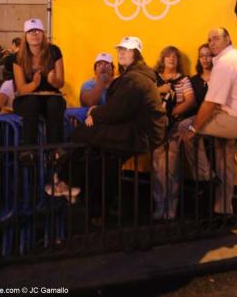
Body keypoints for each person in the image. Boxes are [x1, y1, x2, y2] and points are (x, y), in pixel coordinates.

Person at [53, 37, 167, 216]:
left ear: (136, 54)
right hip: (138, 131)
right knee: (101, 157)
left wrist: (94, 114)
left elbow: (118, 110)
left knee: (87, 134)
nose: (121, 52)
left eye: (127, 50)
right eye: (120, 49)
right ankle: (89, 201)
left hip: (140, 133)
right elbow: (117, 109)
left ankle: (65, 177)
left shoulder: (135, 79)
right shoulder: (134, 77)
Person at [192, 27, 237, 215]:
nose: (212, 42)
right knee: (225, 161)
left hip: (231, 121)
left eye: (215, 38)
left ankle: (206, 176)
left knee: (184, 128)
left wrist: (193, 127)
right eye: (209, 39)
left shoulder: (225, 63)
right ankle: (223, 208)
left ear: (228, 39)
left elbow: (211, 103)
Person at [152, 46, 213, 220]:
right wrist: (159, 91)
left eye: (175, 57)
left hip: (174, 127)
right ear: (162, 59)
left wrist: (172, 113)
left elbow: (191, 100)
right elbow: (146, 96)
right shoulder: (154, 79)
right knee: (157, 169)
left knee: (172, 169)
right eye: (168, 57)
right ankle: (159, 206)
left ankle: (171, 208)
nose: (171, 60)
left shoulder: (184, 80)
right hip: (157, 128)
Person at [13, 18, 66, 164]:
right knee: (31, 102)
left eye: (37, 31)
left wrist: (53, 80)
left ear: (43, 33)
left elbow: (60, 82)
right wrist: (35, 84)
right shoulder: (18, 57)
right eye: (30, 31)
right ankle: (28, 150)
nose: (34, 34)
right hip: (28, 98)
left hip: (51, 96)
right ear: (25, 35)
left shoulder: (54, 51)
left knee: (55, 103)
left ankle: (55, 150)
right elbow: (22, 89)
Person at [190, 43, 213, 111]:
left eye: (208, 55)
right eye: (201, 56)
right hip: (197, 115)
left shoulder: (220, 77)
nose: (205, 59)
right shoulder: (193, 80)